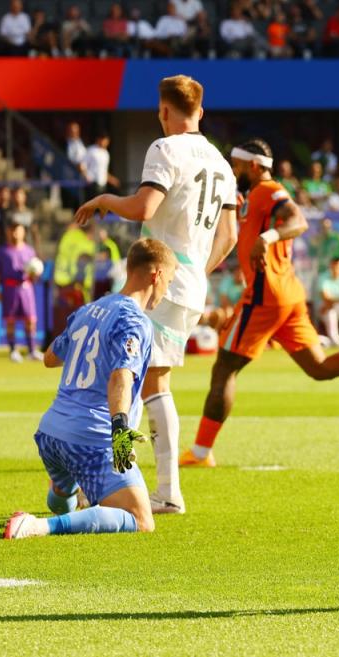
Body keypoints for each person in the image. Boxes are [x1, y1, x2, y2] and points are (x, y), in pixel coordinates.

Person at [179, 140, 339, 468]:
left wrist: (266, 238)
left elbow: (298, 220)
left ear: (254, 166)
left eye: (237, 165)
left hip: (265, 294)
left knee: (224, 367)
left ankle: (201, 452)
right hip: (287, 293)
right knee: (319, 368)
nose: (233, 170)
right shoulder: (250, 194)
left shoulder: (268, 189)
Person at [74, 75, 239, 515]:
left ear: (164, 111)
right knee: (152, 380)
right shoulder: (222, 164)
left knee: (124, 377)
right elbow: (230, 235)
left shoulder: (164, 149)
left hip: (155, 282)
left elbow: (144, 209)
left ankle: (121, 482)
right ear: (200, 111)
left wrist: (105, 198)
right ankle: (161, 489)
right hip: (189, 286)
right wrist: (194, 271)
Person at [3, 239, 176, 540]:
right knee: (140, 518)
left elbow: (49, 358)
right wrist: (120, 431)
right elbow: (120, 377)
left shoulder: (90, 309)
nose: (167, 291)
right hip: (91, 439)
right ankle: (38, 526)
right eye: (169, 281)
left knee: (64, 496)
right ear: (156, 275)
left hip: (51, 435)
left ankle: (65, 490)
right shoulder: (135, 321)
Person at [0, 220, 41, 362]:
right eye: (12, 230)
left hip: (26, 288)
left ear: (23, 232)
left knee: (30, 320)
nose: (15, 233)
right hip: (10, 288)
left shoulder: (29, 251)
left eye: (18, 229)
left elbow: (34, 275)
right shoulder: (2, 252)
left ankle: (32, 350)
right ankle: (13, 350)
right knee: (10, 320)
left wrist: (35, 274)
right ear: (7, 232)